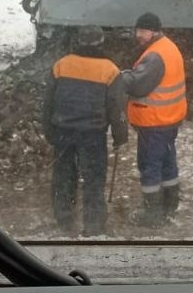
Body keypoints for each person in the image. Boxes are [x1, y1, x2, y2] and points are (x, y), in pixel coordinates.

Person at [42, 26, 128, 237]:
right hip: (93, 135)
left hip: (63, 131)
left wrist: (49, 131)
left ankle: (64, 221)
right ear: (101, 42)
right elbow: (116, 106)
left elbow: (48, 103)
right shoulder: (110, 70)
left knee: (63, 176)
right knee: (94, 179)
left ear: (78, 41)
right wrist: (120, 136)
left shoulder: (61, 65)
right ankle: (94, 226)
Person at [121, 12, 187, 228]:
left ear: (154, 31)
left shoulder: (155, 55)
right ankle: (170, 204)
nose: (138, 35)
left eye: (142, 31)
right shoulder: (168, 47)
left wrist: (119, 76)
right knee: (167, 162)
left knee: (150, 165)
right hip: (169, 119)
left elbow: (138, 84)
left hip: (154, 121)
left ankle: (152, 214)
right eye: (137, 30)